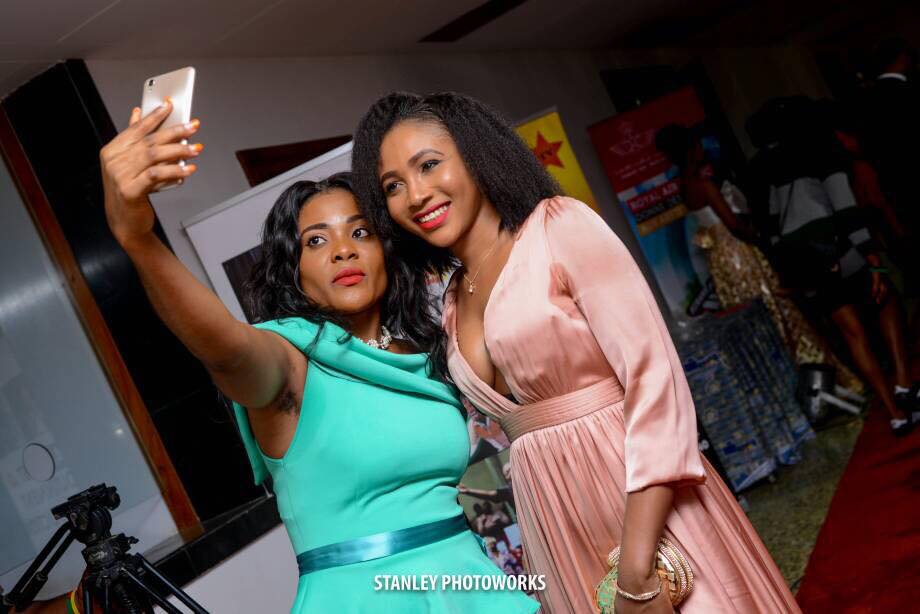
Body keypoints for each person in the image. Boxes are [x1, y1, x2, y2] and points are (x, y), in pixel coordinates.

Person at [352, 91, 800, 613]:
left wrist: (637, 568)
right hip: (553, 516)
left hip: (639, 500)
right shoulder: (453, 300)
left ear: (474, 153)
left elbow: (655, 383)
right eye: (393, 186)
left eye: (429, 165)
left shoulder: (558, 227)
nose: (416, 195)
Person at [97, 100, 538, 613]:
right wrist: (139, 240)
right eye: (316, 241)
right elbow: (225, 349)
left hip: (470, 586)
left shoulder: (427, 353)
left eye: (360, 232)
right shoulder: (290, 363)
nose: (342, 250)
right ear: (295, 270)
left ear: (387, 252)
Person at [747, 97, 920, 436]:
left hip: (806, 262)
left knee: (852, 333)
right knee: (885, 299)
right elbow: (844, 207)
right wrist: (872, 257)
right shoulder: (820, 150)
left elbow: (767, 227)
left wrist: (788, 267)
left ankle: (895, 413)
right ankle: (902, 383)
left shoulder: (760, 167)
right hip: (838, 248)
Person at [655, 123, 863, 396]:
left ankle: (786, 389)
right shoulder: (704, 185)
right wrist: (764, 238)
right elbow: (734, 226)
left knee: (757, 327)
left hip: (721, 264)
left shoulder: (685, 187)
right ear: (692, 149)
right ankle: (823, 382)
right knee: (781, 315)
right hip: (740, 256)